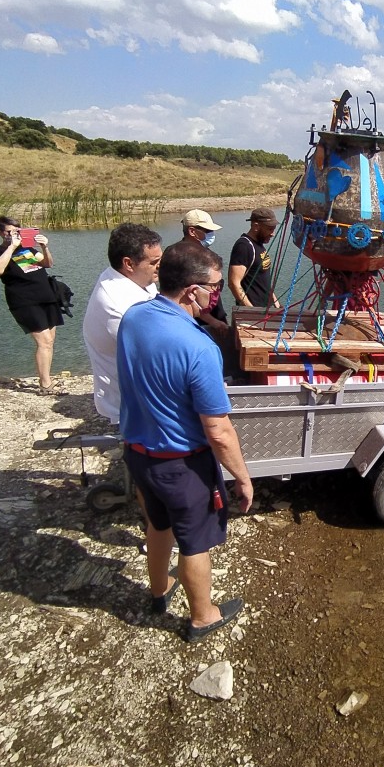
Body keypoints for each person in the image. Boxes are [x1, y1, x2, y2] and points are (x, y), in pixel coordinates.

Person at [117, 240, 254, 642]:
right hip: (182, 464)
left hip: (138, 454)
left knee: (157, 526)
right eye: (213, 286)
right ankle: (202, 616)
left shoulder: (134, 317)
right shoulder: (198, 347)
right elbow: (218, 430)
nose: (216, 293)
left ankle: (159, 592)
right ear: (192, 290)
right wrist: (243, 479)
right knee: (196, 542)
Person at [82, 223, 162, 424]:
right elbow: (157, 356)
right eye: (154, 262)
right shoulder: (119, 304)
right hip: (130, 405)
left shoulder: (130, 279)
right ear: (129, 264)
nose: (160, 266)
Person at [0, 216, 63, 393]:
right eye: (9, 232)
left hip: (46, 296)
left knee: (50, 341)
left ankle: (46, 379)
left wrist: (45, 247)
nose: (14, 235)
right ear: (0, 233)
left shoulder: (27, 249)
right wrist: (11, 246)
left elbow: (47, 263)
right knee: (43, 342)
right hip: (24, 302)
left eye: (17, 231)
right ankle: (45, 385)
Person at [229, 208, 281, 310]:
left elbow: (263, 279)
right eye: (270, 229)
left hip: (266, 309)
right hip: (253, 312)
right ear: (256, 226)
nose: (273, 234)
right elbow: (234, 283)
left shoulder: (259, 245)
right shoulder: (244, 246)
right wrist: (251, 310)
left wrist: (276, 303)